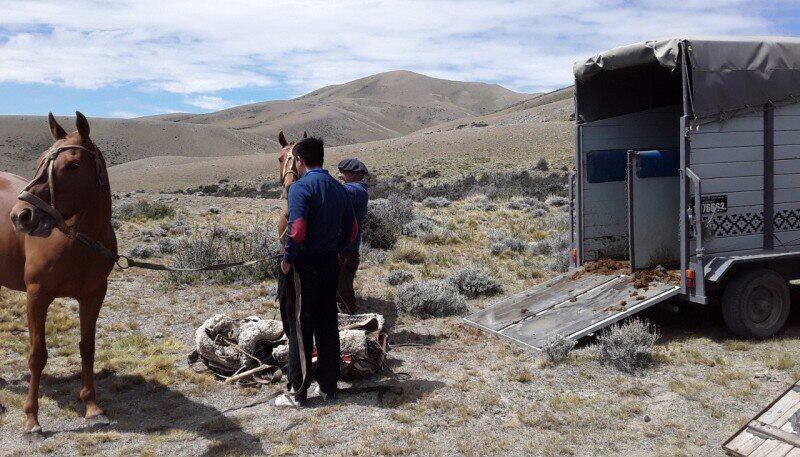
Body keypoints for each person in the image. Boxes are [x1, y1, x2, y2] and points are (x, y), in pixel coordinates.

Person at [272, 137, 358, 407]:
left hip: (303, 267)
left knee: (300, 327)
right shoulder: (339, 188)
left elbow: (296, 231)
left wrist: (287, 260)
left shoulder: (299, 188)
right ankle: (329, 388)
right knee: (327, 324)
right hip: (330, 264)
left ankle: (298, 392)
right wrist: (337, 246)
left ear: (298, 161)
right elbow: (353, 229)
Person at [336, 158, 369, 313]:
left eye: (344, 172)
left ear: (354, 174)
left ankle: (351, 315)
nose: (341, 175)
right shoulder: (352, 189)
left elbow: (335, 191)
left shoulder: (358, 190)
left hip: (347, 251)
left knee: (344, 288)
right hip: (343, 249)